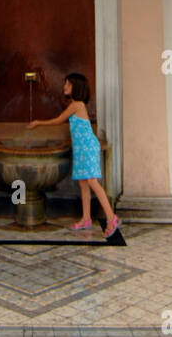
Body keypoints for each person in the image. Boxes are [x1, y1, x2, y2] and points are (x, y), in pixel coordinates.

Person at [28, 72, 120, 238]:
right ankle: (86, 218)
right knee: (83, 184)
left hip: (87, 148)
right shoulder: (76, 105)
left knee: (92, 182)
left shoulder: (77, 105)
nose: (65, 86)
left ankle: (111, 218)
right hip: (81, 149)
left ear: (76, 87)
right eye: (65, 83)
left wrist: (38, 123)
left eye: (68, 84)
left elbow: (58, 120)